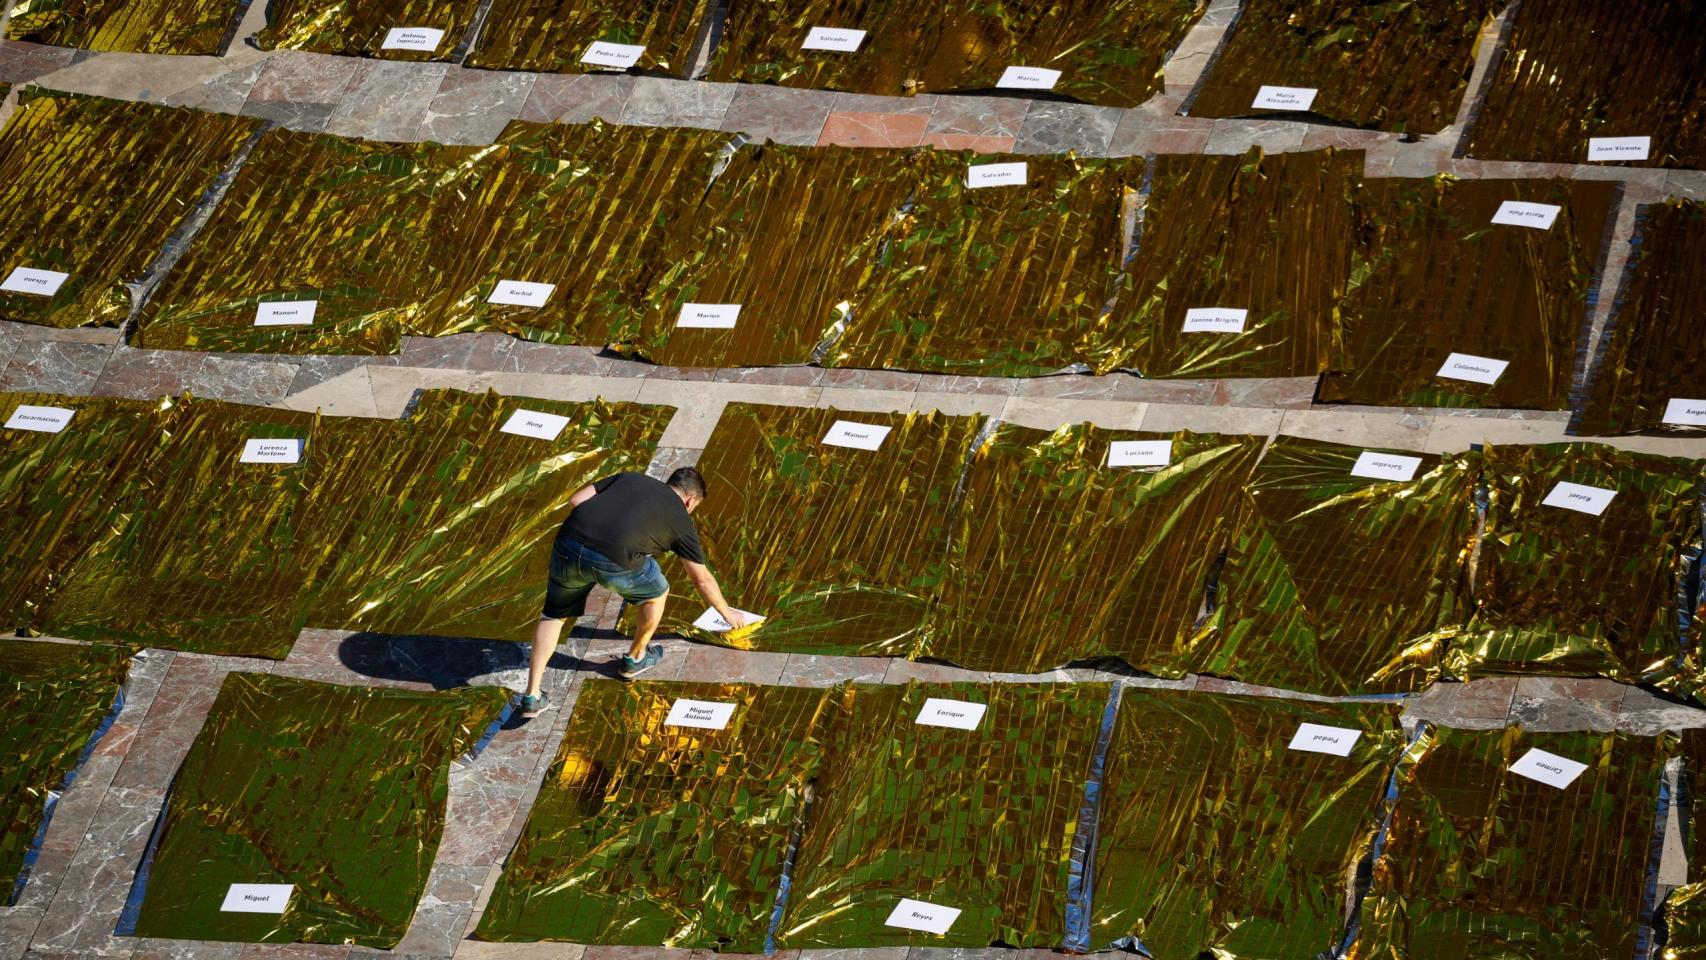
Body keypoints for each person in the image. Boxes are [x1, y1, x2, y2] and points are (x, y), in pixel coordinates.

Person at [518, 466, 745, 717]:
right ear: (691, 500)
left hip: (569, 542)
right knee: (658, 592)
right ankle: (635, 658)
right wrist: (726, 612)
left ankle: (532, 695)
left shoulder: (629, 477)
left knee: (553, 615)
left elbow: (576, 500)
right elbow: (701, 579)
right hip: (615, 560)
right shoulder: (681, 519)